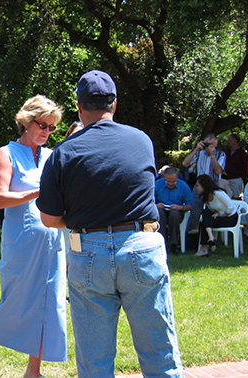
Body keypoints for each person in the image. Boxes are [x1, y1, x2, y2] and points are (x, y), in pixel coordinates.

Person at [37, 70, 184, 377]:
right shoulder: (141, 141)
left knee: (95, 362)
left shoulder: (63, 153)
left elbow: (50, 219)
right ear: (114, 105)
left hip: (88, 253)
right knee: (161, 355)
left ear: (79, 107)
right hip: (142, 247)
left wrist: (80, 219)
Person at [0, 95, 67, 378]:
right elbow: (0, 199)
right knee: (14, 302)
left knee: (49, 302)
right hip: (20, 243)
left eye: (52, 128)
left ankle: (33, 371)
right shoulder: (6, 153)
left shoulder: (52, 157)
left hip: (52, 242)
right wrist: (37, 193)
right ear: (26, 121)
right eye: (43, 125)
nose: (47, 132)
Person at [182, 134, 226, 232]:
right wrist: (196, 149)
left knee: (213, 209)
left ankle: (210, 234)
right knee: (195, 209)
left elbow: (218, 171)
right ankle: (191, 233)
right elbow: (185, 163)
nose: (209, 146)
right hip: (200, 184)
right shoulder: (199, 153)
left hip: (213, 183)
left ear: (216, 145)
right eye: (207, 143)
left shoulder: (221, 154)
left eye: (212, 144)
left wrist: (213, 156)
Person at [194, 174, 237, 257]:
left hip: (230, 217)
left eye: (198, 186)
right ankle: (210, 239)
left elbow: (231, 207)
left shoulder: (218, 193)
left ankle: (205, 248)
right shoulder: (205, 197)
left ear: (204, 185)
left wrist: (222, 215)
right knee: (205, 213)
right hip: (219, 217)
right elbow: (213, 209)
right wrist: (217, 213)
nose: (197, 188)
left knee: (205, 222)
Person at [155, 166, 194, 255]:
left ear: (177, 178)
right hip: (162, 209)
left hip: (177, 211)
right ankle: (161, 242)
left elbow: (190, 205)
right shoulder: (157, 184)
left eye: (173, 182)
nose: (170, 184)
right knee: (159, 213)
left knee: (174, 214)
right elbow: (150, 201)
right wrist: (156, 205)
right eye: (168, 181)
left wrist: (180, 207)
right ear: (164, 177)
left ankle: (174, 244)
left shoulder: (183, 186)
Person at [222, 133, 248, 199]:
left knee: (236, 198)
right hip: (224, 179)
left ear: (235, 141)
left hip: (236, 179)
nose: (228, 142)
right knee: (223, 198)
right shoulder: (225, 151)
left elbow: (245, 167)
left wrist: (241, 178)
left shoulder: (242, 153)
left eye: (230, 140)